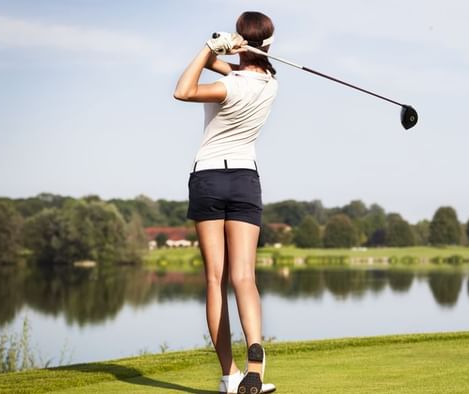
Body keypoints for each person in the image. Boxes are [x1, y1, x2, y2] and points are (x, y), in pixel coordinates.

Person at [173, 11, 278, 394]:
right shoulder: (269, 84)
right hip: (245, 180)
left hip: (209, 178)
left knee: (215, 279)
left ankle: (229, 376)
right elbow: (233, 69)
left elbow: (183, 90)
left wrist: (207, 46)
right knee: (245, 277)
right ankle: (257, 364)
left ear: (243, 41)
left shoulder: (229, 87)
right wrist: (228, 50)